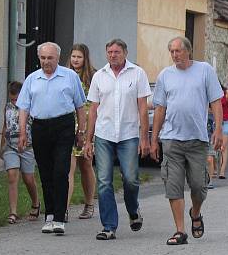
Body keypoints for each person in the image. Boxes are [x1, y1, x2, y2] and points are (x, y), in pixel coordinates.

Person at [150, 36, 223, 246]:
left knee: (199, 186)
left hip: (197, 139)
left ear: (188, 51)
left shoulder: (204, 70)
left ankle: (196, 212)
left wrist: (218, 130)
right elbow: (160, 108)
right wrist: (154, 139)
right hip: (171, 139)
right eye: (171, 52)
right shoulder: (165, 75)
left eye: (178, 51)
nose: (175, 55)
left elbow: (216, 102)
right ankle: (180, 230)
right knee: (173, 185)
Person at [82, 39, 150, 240]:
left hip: (129, 134)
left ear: (125, 53)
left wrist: (145, 138)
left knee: (130, 178)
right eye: (109, 52)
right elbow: (93, 110)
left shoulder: (137, 74)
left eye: (117, 52)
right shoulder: (99, 76)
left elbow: (143, 108)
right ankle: (109, 226)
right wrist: (88, 139)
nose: (113, 55)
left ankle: (133, 209)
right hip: (104, 134)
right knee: (104, 181)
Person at [17, 42, 86, 235]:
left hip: (63, 126)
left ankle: (59, 216)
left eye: (50, 58)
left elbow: (80, 106)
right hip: (40, 126)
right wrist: (23, 132)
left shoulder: (70, 76)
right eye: (43, 58)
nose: (46, 62)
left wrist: (81, 132)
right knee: (46, 172)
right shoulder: (33, 79)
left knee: (61, 171)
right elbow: (23, 107)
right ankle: (49, 215)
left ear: (57, 58)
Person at [0, 81, 41, 223]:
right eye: (12, 99)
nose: (14, 101)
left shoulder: (30, 108)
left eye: (17, 99)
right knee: (12, 175)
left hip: (27, 147)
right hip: (11, 147)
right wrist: (2, 146)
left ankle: (36, 203)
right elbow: (5, 126)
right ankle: (13, 212)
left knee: (28, 179)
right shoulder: (8, 107)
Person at [66, 44, 97, 220]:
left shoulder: (93, 76)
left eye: (79, 57)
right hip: (68, 126)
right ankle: (65, 208)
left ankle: (89, 203)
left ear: (85, 58)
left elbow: (95, 104)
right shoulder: (65, 75)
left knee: (85, 165)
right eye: (73, 56)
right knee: (68, 168)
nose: (75, 60)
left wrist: (89, 131)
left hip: (87, 127)